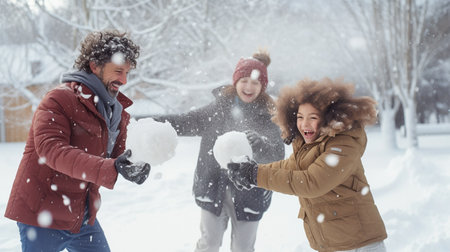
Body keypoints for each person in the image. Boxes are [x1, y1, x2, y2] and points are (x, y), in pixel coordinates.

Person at [4, 30, 150, 252]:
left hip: (80, 215)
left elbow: (117, 158)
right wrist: (109, 167)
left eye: (127, 73)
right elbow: (51, 150)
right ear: (94, 66)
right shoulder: (59, 100)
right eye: (119, 71)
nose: (124, 80)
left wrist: (132, 164)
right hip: (42, 213)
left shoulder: (115, 111)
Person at [228, 78, 387, 252]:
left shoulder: (344, 143)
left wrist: (255, 175)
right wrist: (253, 170)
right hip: (334, 243)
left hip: (360, 244)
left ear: (328, 119)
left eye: (313, 117)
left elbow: (312, 182)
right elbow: (290, 167)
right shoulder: (309, 145)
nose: (304, 124)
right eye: (300, 117)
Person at [152, 50, 285, 252]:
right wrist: (153, 123)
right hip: (213, 187)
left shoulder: (267, 117)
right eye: (244, 80)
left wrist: (259, 144)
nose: (249, 87)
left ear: (262, 87)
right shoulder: (218, 109)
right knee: (209, 244)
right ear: (236, 81)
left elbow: (277, 155)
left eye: (255, 83)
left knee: (243, 248)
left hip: (251, 193)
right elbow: (187, 121)